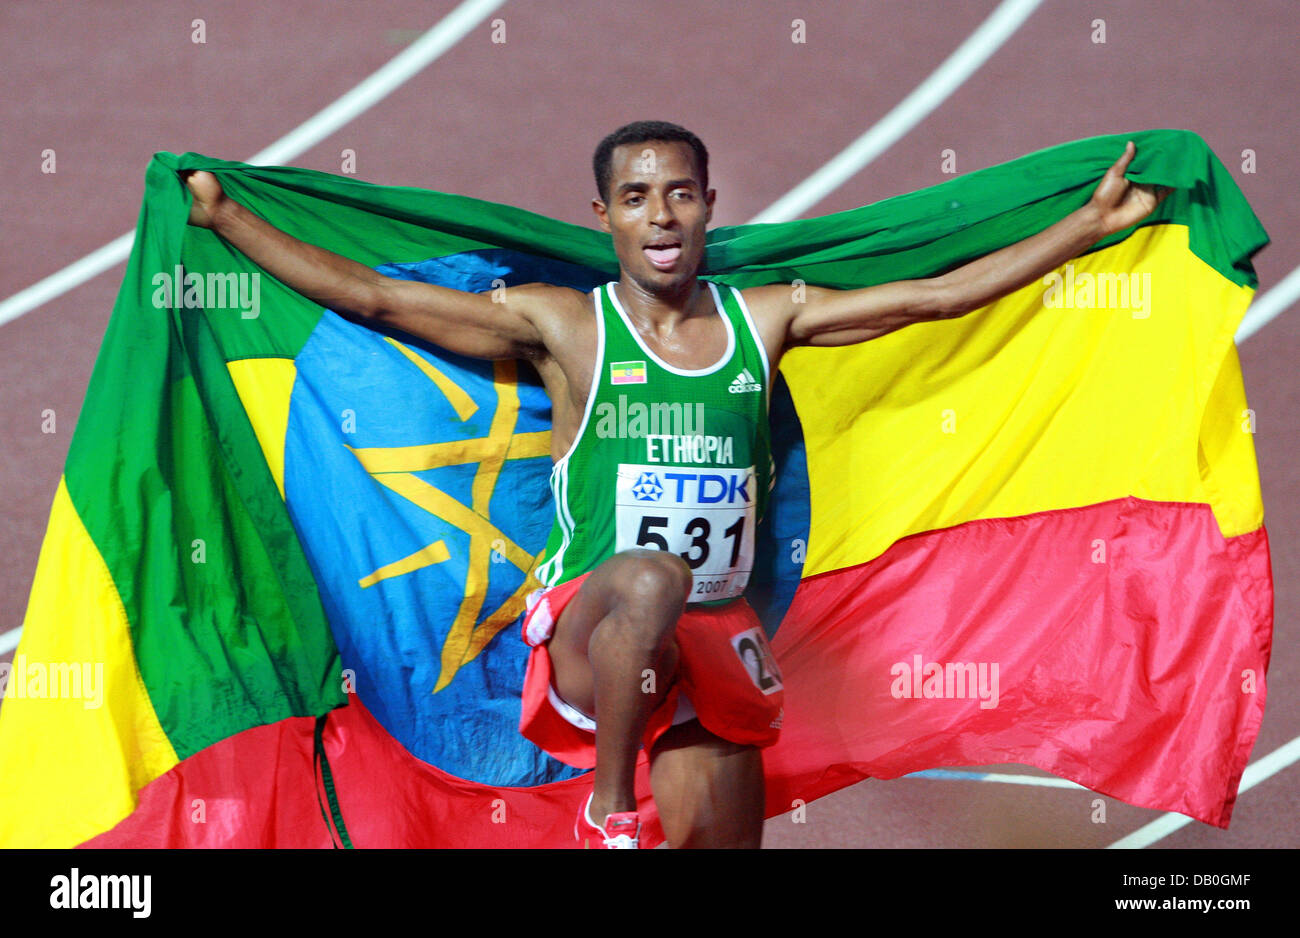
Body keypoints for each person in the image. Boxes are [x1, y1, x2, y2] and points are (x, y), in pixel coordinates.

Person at [182, 120, 1166, 849]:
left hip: (714, 634)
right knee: (649, 572)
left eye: (682, 193)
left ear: (707, 204)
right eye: (640, 196)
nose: (663, 214)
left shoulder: (767, 318)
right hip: (585, 623)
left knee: (717, 839)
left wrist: (1083, 228)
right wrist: (230, 222)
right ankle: (609, 804)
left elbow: (932, 296)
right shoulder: (566, 325)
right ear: (604, 215)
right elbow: (377, 296)